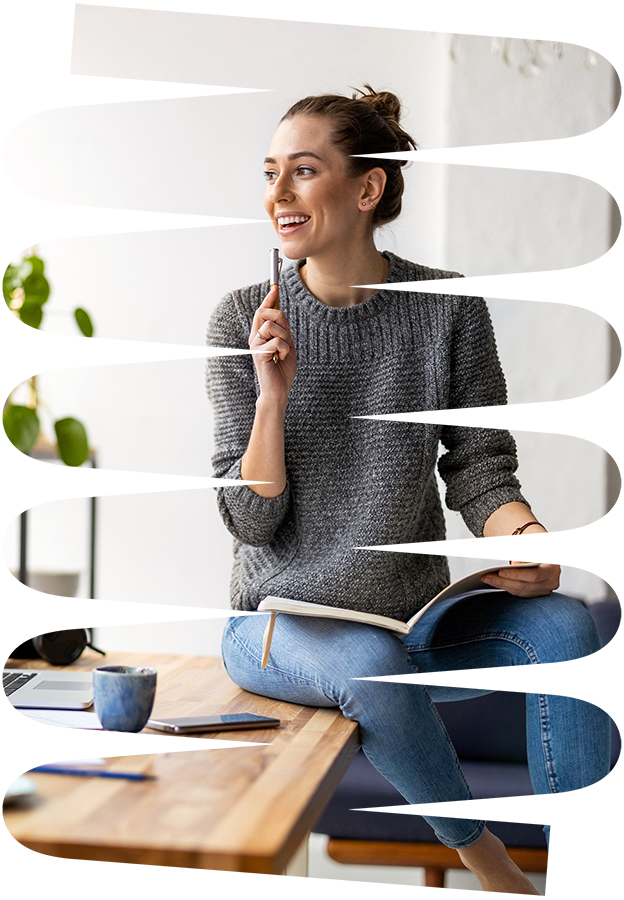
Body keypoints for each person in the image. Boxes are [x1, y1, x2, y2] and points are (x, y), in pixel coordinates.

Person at [205, 84, 610, 896]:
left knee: (565, 630)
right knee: (370, 666)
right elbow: (251, 520)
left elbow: (481, 465)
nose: (277, 196)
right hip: (278, 627)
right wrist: (272, 395)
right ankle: (486, 861)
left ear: (366, 189)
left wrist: (530, 541)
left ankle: (587, 874)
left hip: (409, 619)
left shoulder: (447, 308)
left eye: (303, 172)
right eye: (271, 173)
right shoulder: (242, 319)